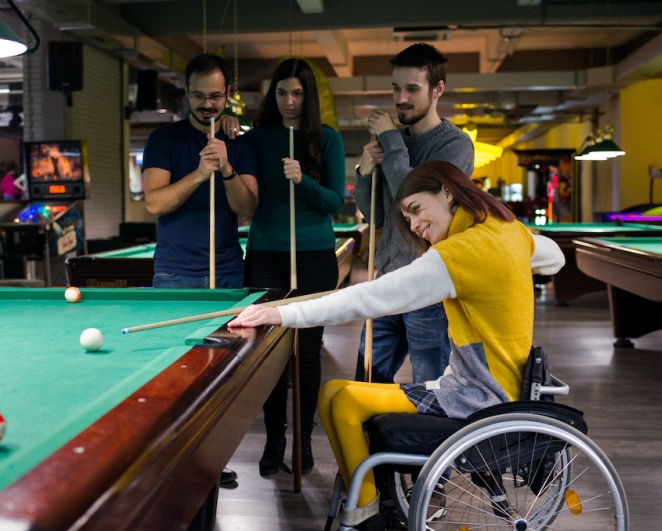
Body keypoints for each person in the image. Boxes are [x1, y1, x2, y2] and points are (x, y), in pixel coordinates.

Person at [230, 160, 564, 530]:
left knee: (344, 401)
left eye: (417, 209)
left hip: (478, 398)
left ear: (448, 191)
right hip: (490, 388)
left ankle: (369, 515)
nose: (414, 225)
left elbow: (371, 297)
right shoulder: (508, 231)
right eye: (406, 218)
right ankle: (371, 501)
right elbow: (555, 257)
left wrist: (280, 315)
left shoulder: (461, 253)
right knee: (332, 394)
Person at [241, 58, 345, 477]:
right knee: (271, 354)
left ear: (308, 96)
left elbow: (335, 201)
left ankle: (303, 440)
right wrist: (231, 127)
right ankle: (274, 438)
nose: (288, 101)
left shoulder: (328, 139)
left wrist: (303, 180)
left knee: (306, 352)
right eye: (281, 93)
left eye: (297, 94)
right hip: (266, 254)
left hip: (315, 257)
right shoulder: (256, 139)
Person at [353, 43, 475, 386]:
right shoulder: (389, 145)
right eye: (395, 88)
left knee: (430, 386)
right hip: (387, 280)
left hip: (428, 286)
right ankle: (373, 442)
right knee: (366, 383)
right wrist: (364, 170)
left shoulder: (455, 146)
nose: (400, 98)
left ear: (438, 89)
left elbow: (415, 200)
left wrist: (392, 140)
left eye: (411, 89)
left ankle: (430, 444)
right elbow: (373, 214)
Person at [142, 53, 258, 288]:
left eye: (215, 96)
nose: (207, 104)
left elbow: (247, 211)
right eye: (199, 96)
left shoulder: (240, 142)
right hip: (174, 274)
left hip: (228, 271)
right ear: (187, 91)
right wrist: (199, 174)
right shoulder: (163, 139)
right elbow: (154, 204)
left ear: (227, 91)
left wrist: (226, 168)